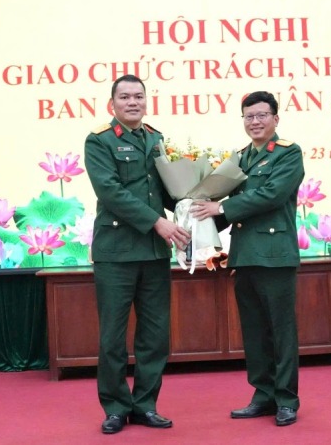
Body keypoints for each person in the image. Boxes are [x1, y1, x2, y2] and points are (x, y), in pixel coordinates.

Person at [190, 91, 305, 427]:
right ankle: (263, 395)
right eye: (249, 116)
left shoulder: (288, 153)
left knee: (281, 332)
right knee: (254, 332)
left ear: (275, 119)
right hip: (244, 255)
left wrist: (220, 208)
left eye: (261, 115)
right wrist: (194, 213)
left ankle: (286, 400)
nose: (255, 121)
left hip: (275, 255)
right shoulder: (240, 158)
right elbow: (225, 204)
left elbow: (271, 195)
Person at [84, 75, 190, 435]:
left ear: (147, 101)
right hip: (116, 253)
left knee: (155, 335)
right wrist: (158, 223)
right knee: (113, 337)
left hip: (153, 254)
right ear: (112, 104)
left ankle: (145, 405)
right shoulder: (98, 141)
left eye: (139, 96)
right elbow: (111, 192)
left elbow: (166, 191)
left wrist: (195, 202)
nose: (133, 102)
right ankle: (115, 407)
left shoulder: (156, 139)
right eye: (125, 97)